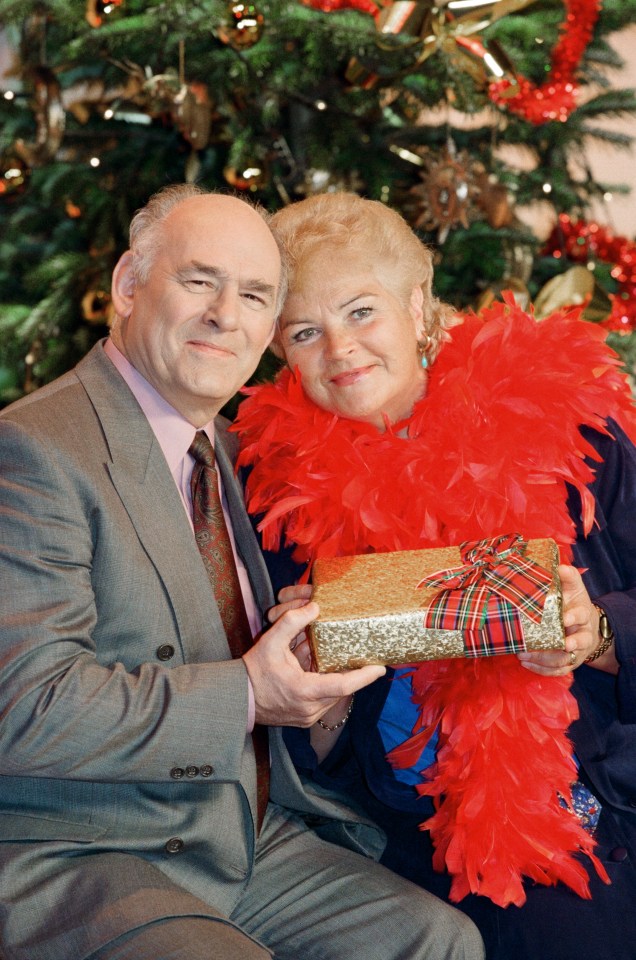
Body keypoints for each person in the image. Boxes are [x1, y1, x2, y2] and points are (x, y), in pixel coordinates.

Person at [0, 184, 486, 960]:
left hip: (237, 830)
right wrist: (250, 694)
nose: (227, 313)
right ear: (128, 285)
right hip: (85, 849)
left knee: (436, 939)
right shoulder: (33, 449)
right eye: (200, 280)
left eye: (256, 295)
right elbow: (23, 708)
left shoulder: (231, 453)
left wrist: (311, 646)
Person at [233, 191, 636, 960]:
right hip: (411, 828)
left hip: (599, 785)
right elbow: (301, 753)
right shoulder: (274, 493)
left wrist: (603, 631)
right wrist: (314, 680)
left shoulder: (573, 429)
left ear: (417, 306)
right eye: (305, 332)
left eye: (360, 312)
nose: (339, 351)